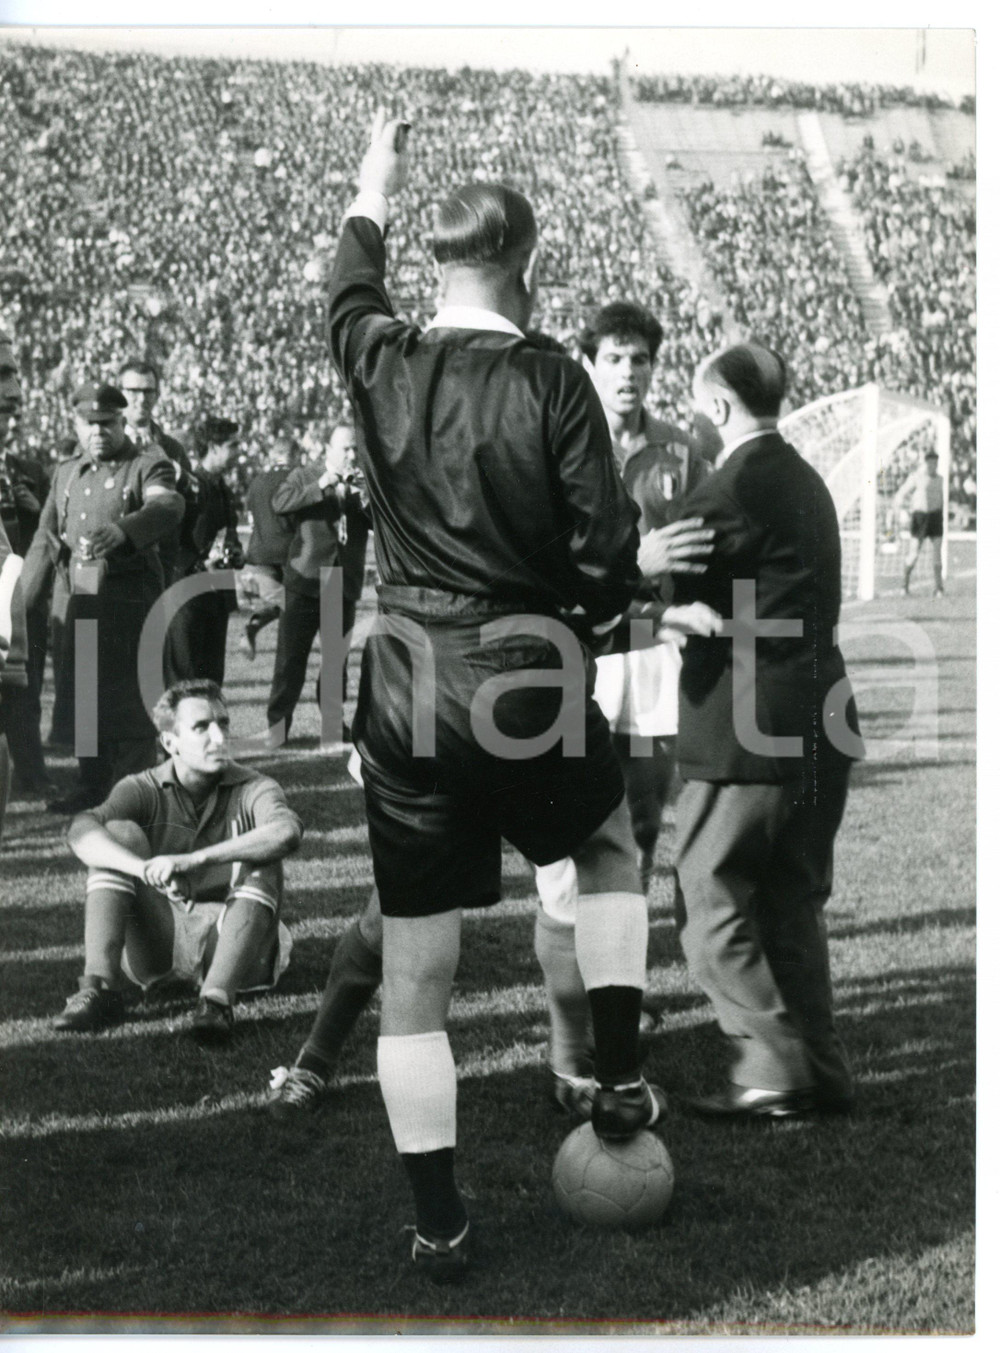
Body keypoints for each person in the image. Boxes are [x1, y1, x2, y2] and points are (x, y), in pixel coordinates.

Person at [325, 109, 666, 1279]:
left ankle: (438, 1220)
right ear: (530, 266)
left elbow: (348, 271)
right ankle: (616, 1070)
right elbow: (604, 555)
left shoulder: (376, 354)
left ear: (437, 262)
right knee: (610, 851)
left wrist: (376, 173)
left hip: (406, 678)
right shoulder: (552, 375)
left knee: (419, 969)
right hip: (525, 667)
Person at [643, 342, 863, 1120]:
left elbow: (665, 589)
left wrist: (640, 565)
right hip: (824, 705)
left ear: (722, 407)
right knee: (790, 899)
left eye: (700, 406)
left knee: (708, 897)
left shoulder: (722, 490)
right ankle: (823, 1070)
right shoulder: (809, 480)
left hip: (749, 716)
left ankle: (771, 1062)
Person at [52, 679, 301, 1041]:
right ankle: (97, 989)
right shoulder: (141, 786)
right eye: (202, 727)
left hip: (236, 932)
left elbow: (287, 832)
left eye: (223, 723)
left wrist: (194, 860)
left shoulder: (255, 786)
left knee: (262, 856)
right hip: (164, 934)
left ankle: (216, 1003)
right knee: (118, 833)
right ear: (170, 743)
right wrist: (141, 869)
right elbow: (80, 828)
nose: (219, 736)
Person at [21, 383, 185, 814]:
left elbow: (167, 507)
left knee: (131, 702)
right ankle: (92, 786)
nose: (97, 432)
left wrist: (126, 530)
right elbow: (46, 537)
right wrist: (22, 602)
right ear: (75, 425)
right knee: (85, 697)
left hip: (129, 605)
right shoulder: (66, 472)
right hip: (79, 602)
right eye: (88, 424)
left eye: (107, 423)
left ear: (122, 421)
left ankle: (132, 794)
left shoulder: (148, 465)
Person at [264, 422, 369, 745]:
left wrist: (364, 499)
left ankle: (334, 726)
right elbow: (279, 503)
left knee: (336, 662)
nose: (351, 455)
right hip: (305, 579)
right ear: (328, 450)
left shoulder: (364, 481)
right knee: (290, 659)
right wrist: (323, 484)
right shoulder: (305, 474)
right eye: (345, 448)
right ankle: (278, 728)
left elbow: (381, 523)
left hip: (342, 581)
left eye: (354, 448)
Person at [0, 327, 51, 795]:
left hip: (21, 598)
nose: (10, 416)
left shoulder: (29, 471)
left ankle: (30, 775)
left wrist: (34, 508)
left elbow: (46, 535)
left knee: (24, 694)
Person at [164, 416, 244, 687]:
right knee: (184, 676)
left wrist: (236, 553)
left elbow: (226, 534)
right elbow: (171, 540)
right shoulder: (189, 487)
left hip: (215, 596)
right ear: (213, 446)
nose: (239, 452)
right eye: (233, 445)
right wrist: (199, 565)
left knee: (211, 677)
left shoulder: (223, 489)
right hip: (187, 595)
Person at [118, 357, 195, 588]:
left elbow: (191, 505)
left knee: (155, 624)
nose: (141, 399)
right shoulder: (101, 443)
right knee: (90, 623)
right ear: (120, 394)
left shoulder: (172, 448)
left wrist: (181, 479)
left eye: (148, 391)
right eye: (133, 391)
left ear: (157, 395)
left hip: (159, 565)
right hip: (111, 562)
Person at [239, 436, 297, 660]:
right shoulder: (295, 478)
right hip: (290, 551)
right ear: (293, 455)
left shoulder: (257, 482)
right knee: (295, 605)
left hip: (259, 552)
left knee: (280, 603)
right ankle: (288, 655)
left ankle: (252, 628)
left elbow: (252, 519)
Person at [893, 449, 946, 596]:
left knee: (937, 553)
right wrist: (900, 508)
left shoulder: (940, 479)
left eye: (935, 463)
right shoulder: (917, 477)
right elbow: (901, 493)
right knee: (914, 553)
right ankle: (904, 585)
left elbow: (940, 499)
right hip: (920, 518)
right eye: (930, 463)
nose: (932, 466)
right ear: (926, 463)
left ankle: (939, 587)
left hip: (935, 517)